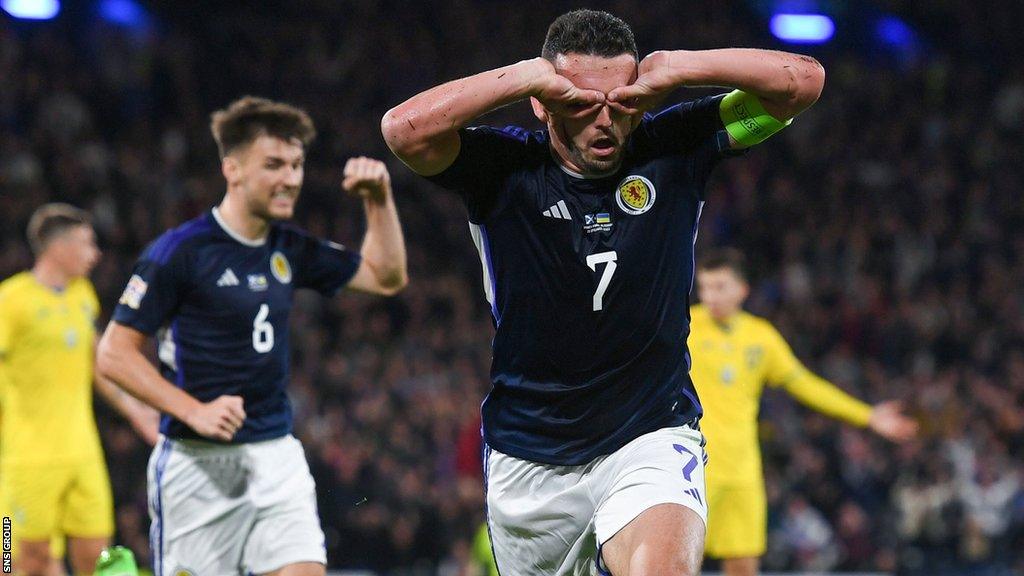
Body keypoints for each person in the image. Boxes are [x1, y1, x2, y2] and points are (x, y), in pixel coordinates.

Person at [382, 8, 825, 575]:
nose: (604, 122)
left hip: (649, 432)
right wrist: (524, 75)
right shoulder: (501, 167)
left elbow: (803, 83)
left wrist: (679, 68)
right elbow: (403, 130)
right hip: (530, 454)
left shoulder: (676, 146)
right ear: (542, 101)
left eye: (621, 102)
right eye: (580, 103)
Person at [96, 96, 407, 576]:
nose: (291, 178)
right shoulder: (181, 251)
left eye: (298, 164)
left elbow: (385, 277)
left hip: (275, 453)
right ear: (233, 170)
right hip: (197, 467)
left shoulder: (289, 246)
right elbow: (114, 354)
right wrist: (192, 410)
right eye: (274, 164)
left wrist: (378, 200)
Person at [691, 248, 918, 576]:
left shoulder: (761, 336)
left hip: (742, 471)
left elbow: (805, 384)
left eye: (720, 286)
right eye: (705, 287)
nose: (710, 296)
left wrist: (867, 416)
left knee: (742, 568)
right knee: (679, 564)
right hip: (694, 469)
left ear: (743, 289)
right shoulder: (685, 327)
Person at [0, 203, 158, 576]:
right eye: (88, 244)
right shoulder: (11, 300)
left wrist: (137, 411)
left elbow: (95, 363)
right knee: (14, 557)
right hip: (26, 457)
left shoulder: (82, 295)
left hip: (81, 451)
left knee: (96, 555)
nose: (96, 254)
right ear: (59, 248)